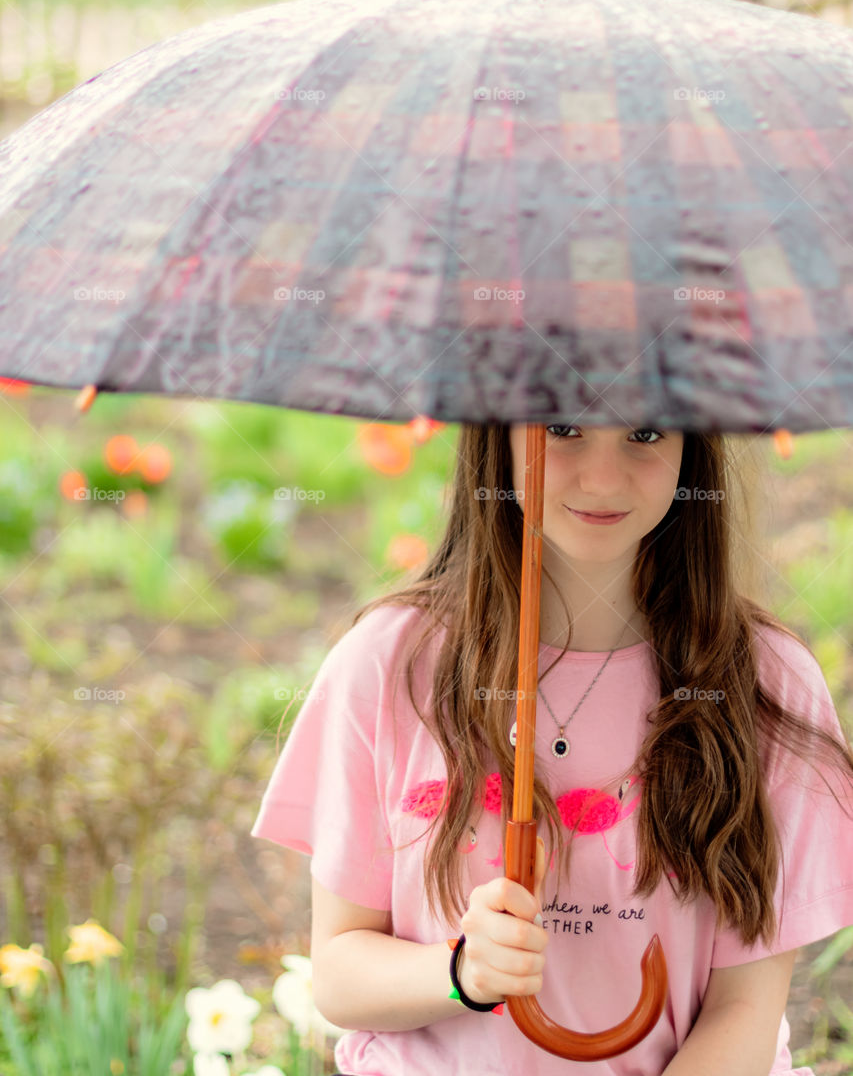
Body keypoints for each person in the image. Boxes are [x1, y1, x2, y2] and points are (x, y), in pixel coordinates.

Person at [250, 423, 853, 1076]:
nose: (600, 476)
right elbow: (339, 975)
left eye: (643, 433)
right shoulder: (390, 664)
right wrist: (460, 970)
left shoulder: (765, 684)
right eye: (562, 430)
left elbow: (744, 1012)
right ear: (496, 438)